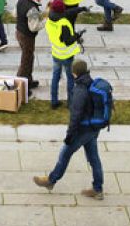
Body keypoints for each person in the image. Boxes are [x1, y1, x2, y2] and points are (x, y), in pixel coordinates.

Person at [32, 58, 106, 199]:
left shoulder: (80, 90)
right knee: (94, 158)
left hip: (82, 130)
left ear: (74, 73)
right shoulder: (91, 83)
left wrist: (69, 135)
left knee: (65, 155)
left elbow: (75, 115)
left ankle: (51, 181)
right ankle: (98, 189)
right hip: (93, 129)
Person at [45, 0, 81, 109]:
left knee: (55, 77)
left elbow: (67, 13)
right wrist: (77, 35)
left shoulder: (49, 19)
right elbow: (68, 41)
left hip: (56, 54)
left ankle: (54, 101)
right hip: (66, 55)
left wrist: (80, 9)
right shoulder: (63, 23)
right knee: (70, 78)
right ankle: (70, 103)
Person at [14, 0, 43, 93]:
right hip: (27, 37)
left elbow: (15, 14)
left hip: (19, 32)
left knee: (29, 58)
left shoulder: (21, 0)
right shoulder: (32, 8)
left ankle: (28, 81)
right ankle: (19, 87)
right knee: (26, 61)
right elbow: (34, 27)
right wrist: (45, 21)